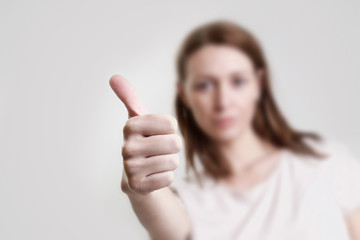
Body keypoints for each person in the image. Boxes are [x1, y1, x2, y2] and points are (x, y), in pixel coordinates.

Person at [109, 20, 360, 240]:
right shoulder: (189, 200)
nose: (223, 101)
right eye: (205, 85)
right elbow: (174, 230)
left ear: (258, 84)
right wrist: (142, 192)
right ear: (184, 94)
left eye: (238, 81)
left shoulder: (325, 162)